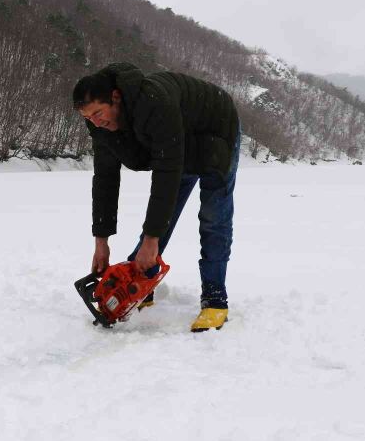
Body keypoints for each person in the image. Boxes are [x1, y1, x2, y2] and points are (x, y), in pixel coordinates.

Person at [73, 63, 240, 332]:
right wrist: (101, 241)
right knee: (165, 214)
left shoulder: (153, 104)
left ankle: (215, 298)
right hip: (180, 140)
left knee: (213, 217)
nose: (95, 122)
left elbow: (166, 175)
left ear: (115, 98)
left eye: (98, 113)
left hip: (216, 131)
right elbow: (105, 178)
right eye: (88, 117)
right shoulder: (101, 126)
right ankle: (141, 282)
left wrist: (152, 239)